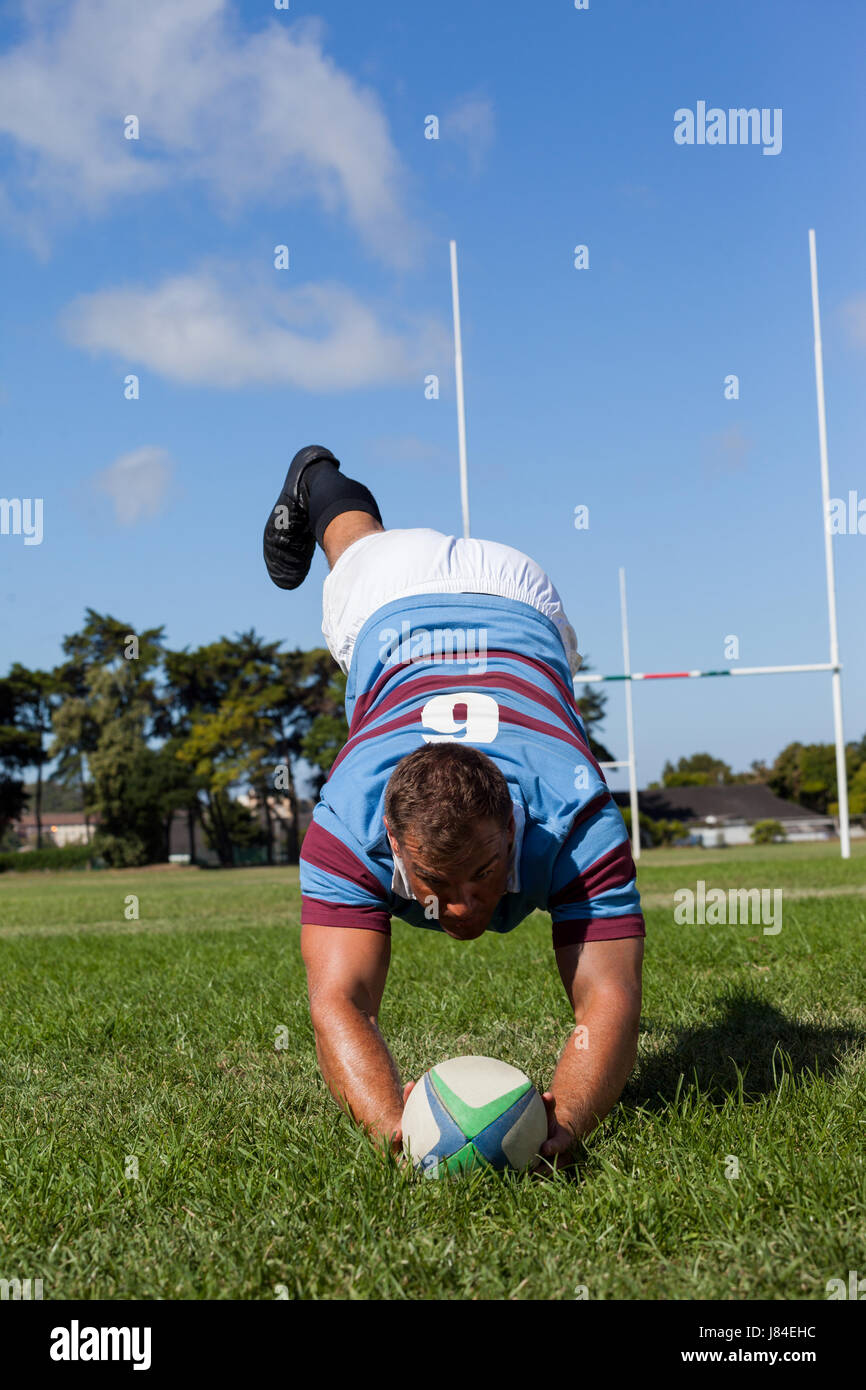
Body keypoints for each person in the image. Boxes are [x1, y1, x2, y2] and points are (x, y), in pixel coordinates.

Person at [264, 445, 644, 1167]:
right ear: (392, 842)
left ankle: (323, 490)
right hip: (396, 592)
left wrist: (571, 1123)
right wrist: (389, 1125)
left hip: (517, 594)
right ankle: (317, 479)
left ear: (514, 824)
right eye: (438, 885)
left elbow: (612, 997)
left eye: (483, 874)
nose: (464, 909)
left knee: (371, 556)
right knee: (357, 545)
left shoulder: (578, 819)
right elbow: (339, 1000)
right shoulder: (346, 825)